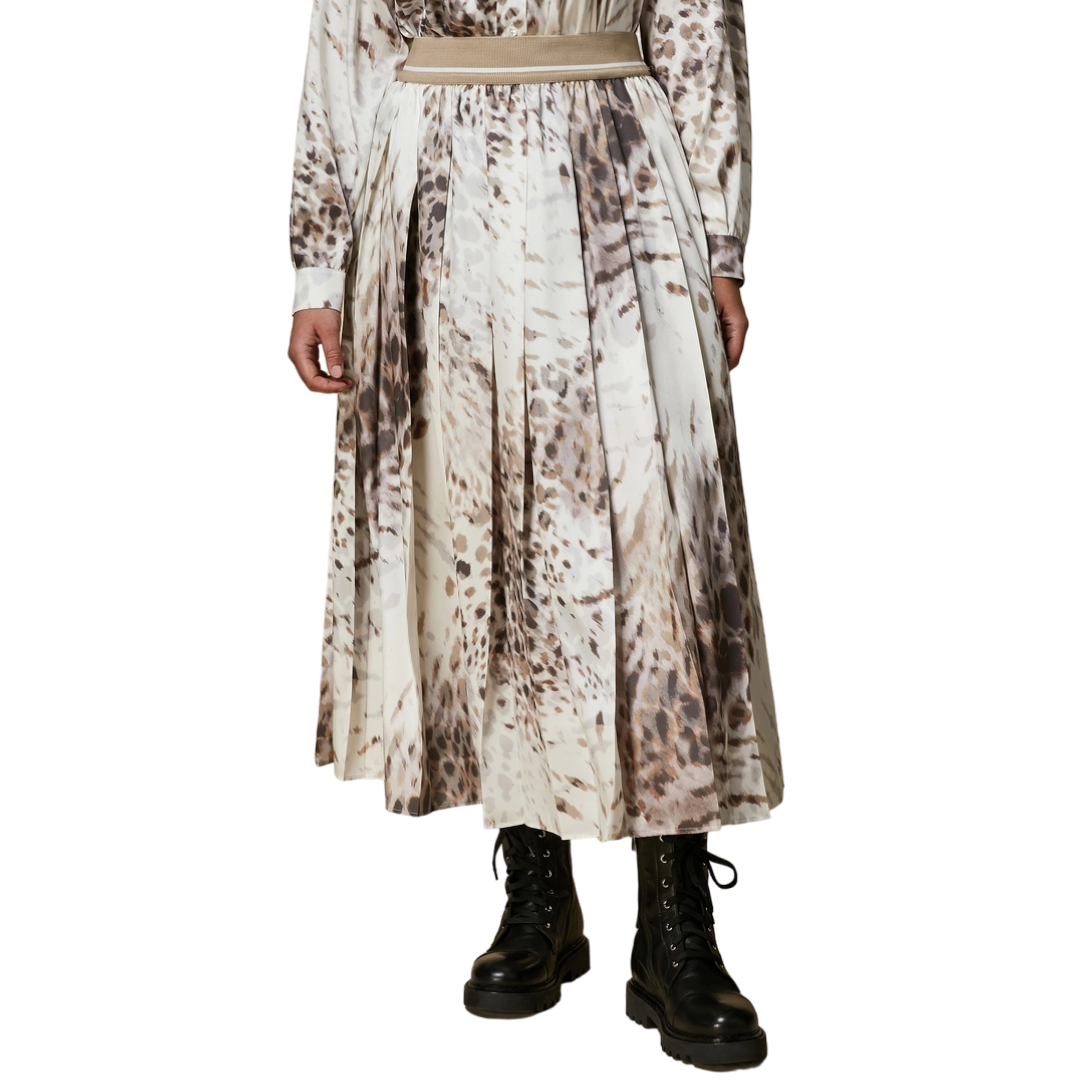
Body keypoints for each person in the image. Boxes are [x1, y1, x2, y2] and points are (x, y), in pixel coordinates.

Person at [288, 2, 783, 1071]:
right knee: (484, 552)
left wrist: (719, 240)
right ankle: (536, 897)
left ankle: (675, 926)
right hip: (431, 189)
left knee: (658, 558)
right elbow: (346, 35)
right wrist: (318, 270)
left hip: (619, 179)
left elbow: (697, 26)